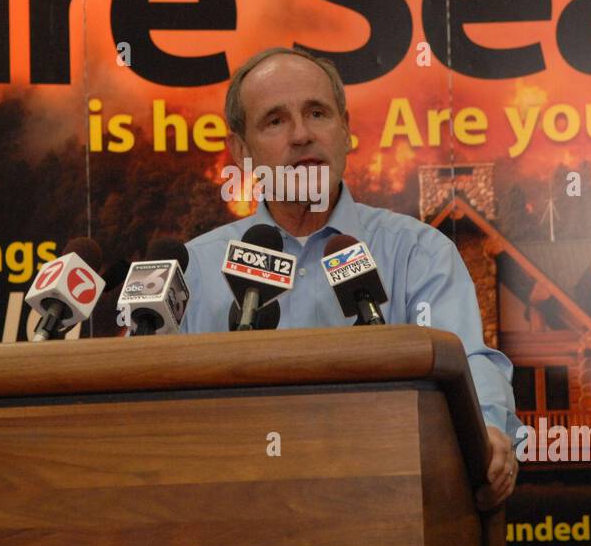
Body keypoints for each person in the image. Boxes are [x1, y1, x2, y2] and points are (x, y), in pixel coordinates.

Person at [181, 46, 519, 508]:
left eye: (317, 113)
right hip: (233, 519)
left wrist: (488, 429)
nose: (302, 135)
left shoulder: (417, 253)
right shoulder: (198, 269)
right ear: (241, 151)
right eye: (275, 121)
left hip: (386, 508)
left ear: (345, 130)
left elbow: (465, 361)